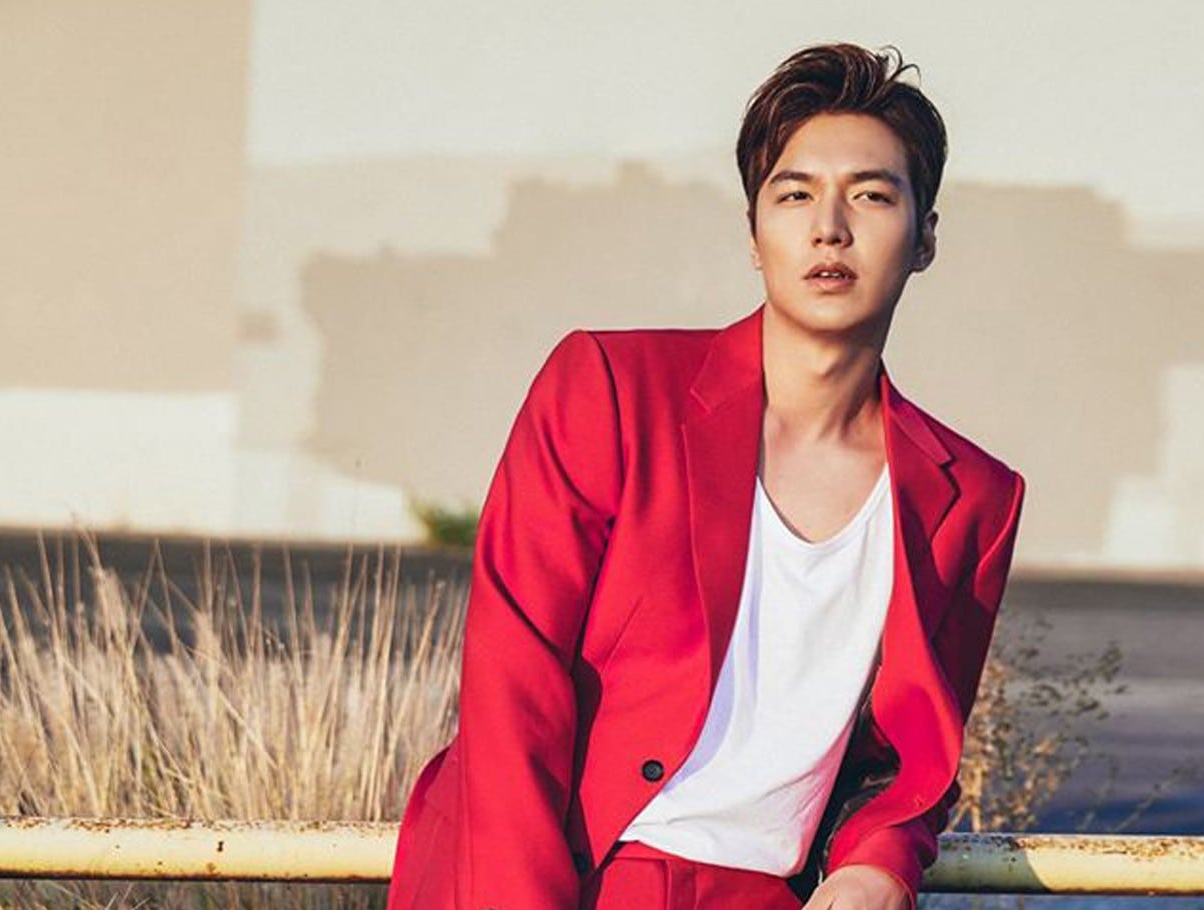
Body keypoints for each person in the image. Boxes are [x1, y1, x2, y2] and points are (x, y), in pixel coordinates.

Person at [388, 42, 1026, 910]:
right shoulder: (612, 392)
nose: (828, 228)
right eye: (793, 195)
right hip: (569, 874)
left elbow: (907, 764)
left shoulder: (971, 499)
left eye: (872, 195)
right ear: (753, 236)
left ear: (925, 238)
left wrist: (879, 863)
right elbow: (515, 693)